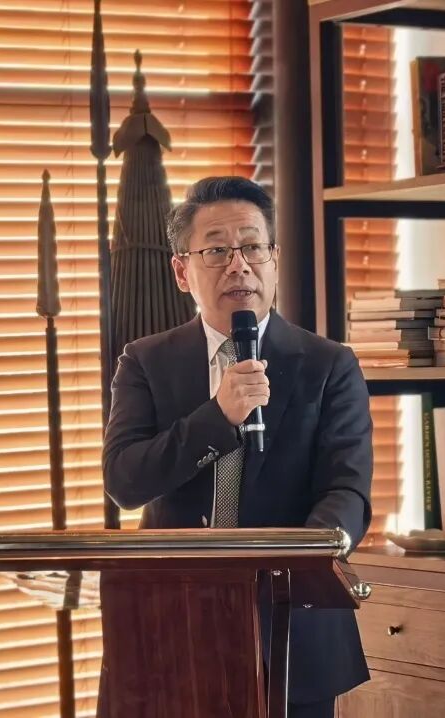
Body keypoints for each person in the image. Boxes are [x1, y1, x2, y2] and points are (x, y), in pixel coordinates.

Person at [102, 176, 373, 718]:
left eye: (252, 247)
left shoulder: (329, 364)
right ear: (182, 271)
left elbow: (346, 489)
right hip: (171, 624)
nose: (239, 265)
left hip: (292, 620)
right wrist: (217, 418)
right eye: (217, 250)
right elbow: (125, 481)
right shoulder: (145, 361)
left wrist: (305, 562)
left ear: (274, 260)